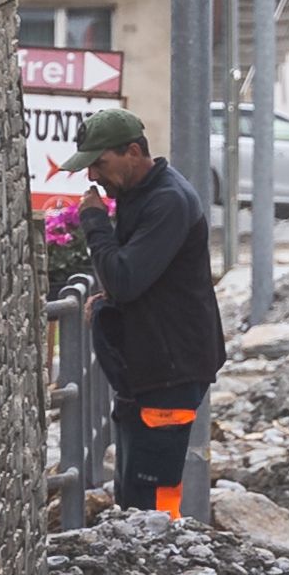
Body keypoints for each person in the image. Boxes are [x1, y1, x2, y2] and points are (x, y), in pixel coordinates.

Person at [76, 107, 223, 515]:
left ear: (134, 152)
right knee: (132, 491)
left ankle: (165, 567)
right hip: (149, 368)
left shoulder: (168, 201)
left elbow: (126, 277)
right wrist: (110, 298)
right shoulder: (137, 193)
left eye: (99, 164)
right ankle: (144, 564)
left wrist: (94, 224)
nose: (93, 177)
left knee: (154, 497)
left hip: (170, 369)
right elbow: (144, 278)